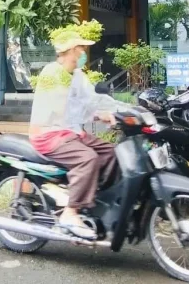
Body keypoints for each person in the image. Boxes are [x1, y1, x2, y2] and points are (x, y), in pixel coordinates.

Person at [29, 30, 126, 239]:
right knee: (88, 159)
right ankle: (70, 213)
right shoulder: (52, 73)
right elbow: (66, 107)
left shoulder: (78, 75)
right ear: (71, 50)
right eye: (81, 48)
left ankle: (97, 202)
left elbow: (93, 100)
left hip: (71, 133)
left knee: (111, 152)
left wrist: (124, 111)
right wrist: (97, 114)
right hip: (49, 134)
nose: (84, 52)